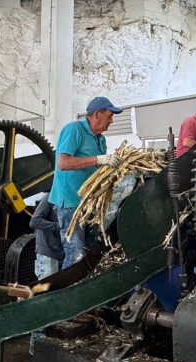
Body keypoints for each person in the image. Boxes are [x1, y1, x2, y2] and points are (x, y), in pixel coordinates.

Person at [48, 96, 122, 270]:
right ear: (96, 114)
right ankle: (67, 294)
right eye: (110, 116)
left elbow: (97, 170)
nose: (111, 121)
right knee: (75, 253)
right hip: (70, 204)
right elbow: (63, 163)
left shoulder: (100, 139)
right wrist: (99, 159)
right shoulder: (74, 130)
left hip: (90, 204)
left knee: (90, 251)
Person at [28, 193, 64, 350]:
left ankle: (46, 338)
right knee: (43, 297)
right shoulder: (50, 197)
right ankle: (35, 342)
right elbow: (34, 221)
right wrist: (57, 227)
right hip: (46, 254)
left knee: (54, 296)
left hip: (59, 252)